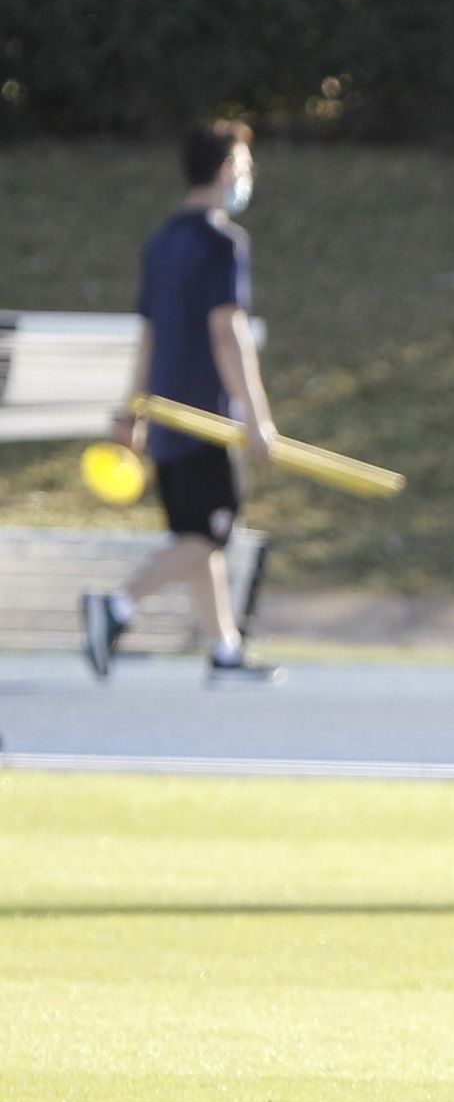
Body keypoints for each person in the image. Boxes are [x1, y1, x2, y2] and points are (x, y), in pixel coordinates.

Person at [81, 120, 280, 682]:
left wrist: (132, 410)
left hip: (167, 418)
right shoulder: (222, 244)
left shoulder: (164, 241)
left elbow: (149, 335)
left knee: (199, 538)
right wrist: (257, 418)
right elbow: (228, 333)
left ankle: (224, 651)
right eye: (243, 166)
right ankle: (115, 606)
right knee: (209, 535)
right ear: (225, 170)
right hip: (204, 421)